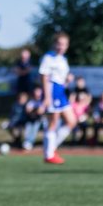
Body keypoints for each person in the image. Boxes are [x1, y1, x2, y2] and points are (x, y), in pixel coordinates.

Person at [38, 33, 77, 165]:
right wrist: (47, 97)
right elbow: (44, 77)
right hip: (52, 90)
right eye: (59, 43)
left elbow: (62, 78)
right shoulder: (48, 58)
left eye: (64, 44)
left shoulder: (62, 59)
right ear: (54, 44)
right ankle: (48, 154)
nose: (61, 46)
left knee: (72, 121)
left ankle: (51, 148)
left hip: (61, 90)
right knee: (53, 122)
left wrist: (67, 80)